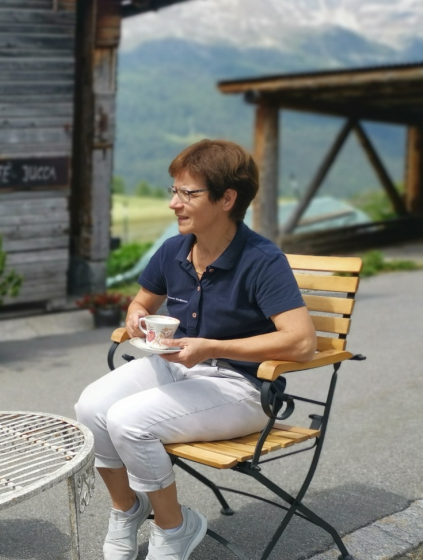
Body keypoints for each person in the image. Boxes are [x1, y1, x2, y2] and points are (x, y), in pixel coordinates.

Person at [74, 140, 317, 560]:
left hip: (244, 388)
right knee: (90, 407)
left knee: (129, 421)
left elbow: (302, 342)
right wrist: (136, 316)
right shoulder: (174, 250)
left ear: (227, 199)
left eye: (188, 193)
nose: (174, 203)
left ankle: (174, 529)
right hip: (179, 369)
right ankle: (128, 509)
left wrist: (211, 348)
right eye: (174, 191)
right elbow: (142, 302)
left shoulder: (262, 260)